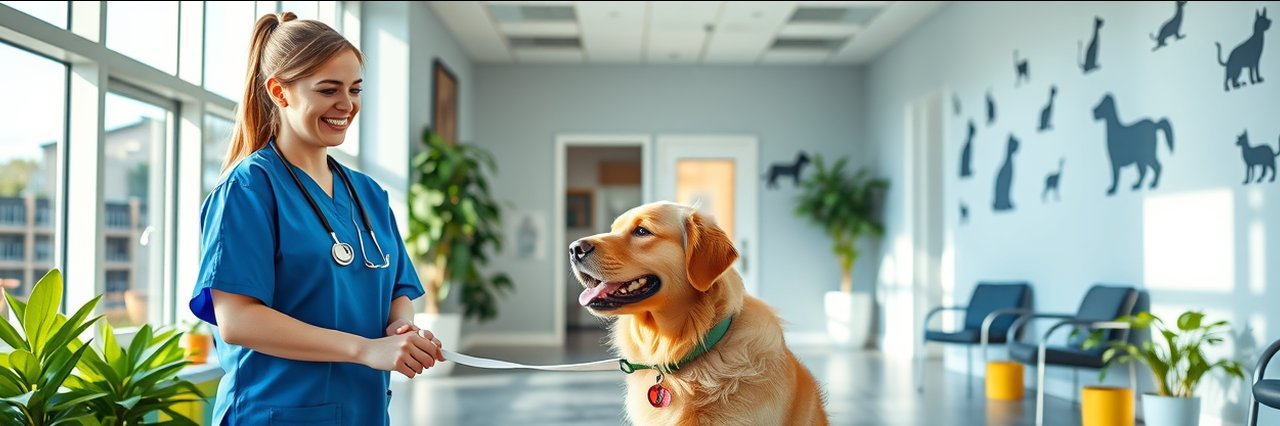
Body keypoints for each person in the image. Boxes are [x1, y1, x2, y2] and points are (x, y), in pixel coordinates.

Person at [189, 12, 444, 425]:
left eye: (355, 89)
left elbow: (399, 288)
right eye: (328, 90)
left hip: (363, 410)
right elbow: (237, 319)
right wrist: (364, 349)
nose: (346, 105)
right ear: (279, 91)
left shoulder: (368, 195)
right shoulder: (248, 189)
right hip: (276, 411)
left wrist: (401, 329)